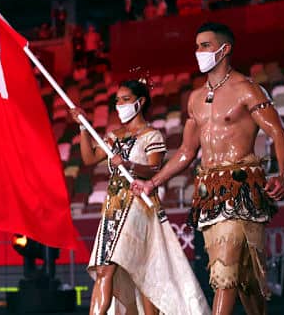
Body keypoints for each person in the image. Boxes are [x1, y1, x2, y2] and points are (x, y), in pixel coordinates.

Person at [132, 22, 284, 315]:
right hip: (209, 193)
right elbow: (186, 152)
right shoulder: (194, 98)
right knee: (243, 280)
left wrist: (282, 174)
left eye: (205, 45)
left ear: (224, 48)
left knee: (225, 272)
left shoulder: (248, 90)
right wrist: (153, 183)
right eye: (197, 46)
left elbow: (278, 133)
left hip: (242, 188)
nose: (198, 52)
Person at [71, 80, 209, 315]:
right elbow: (89, 159)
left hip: (138, 205)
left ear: (140, 101)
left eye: (125, 100)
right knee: (104, 268)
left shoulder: (152, 135)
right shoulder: (114, 136)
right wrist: (83, 128)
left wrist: (130, 165)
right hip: (112, 208)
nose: (119, 105)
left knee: (139, 270)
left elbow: (155, 169)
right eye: (117, 101)